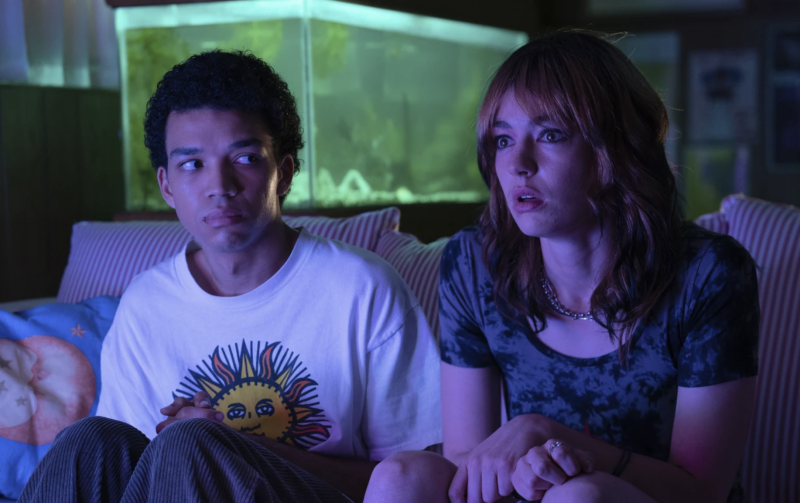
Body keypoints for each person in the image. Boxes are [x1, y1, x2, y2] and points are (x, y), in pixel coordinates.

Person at [18, 50, 441, 503]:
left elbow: (417, 481)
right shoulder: (146, 305)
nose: (219, 186)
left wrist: (227, 444)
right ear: (167, 186)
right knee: (88, 442)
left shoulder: (362, 289)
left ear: (284, 173)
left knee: (189, 445)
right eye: (192, 165)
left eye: (244, 159)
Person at [365, 30, 759, 503]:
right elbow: (471, 459)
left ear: (615, 148)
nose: (517, 165)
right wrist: (527, 465)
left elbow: (702, 491)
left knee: (581, 497)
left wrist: (544, 433)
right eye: (503, 140)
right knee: (399, 476)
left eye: (550, 135)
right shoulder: (474, 263)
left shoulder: (710, 274)